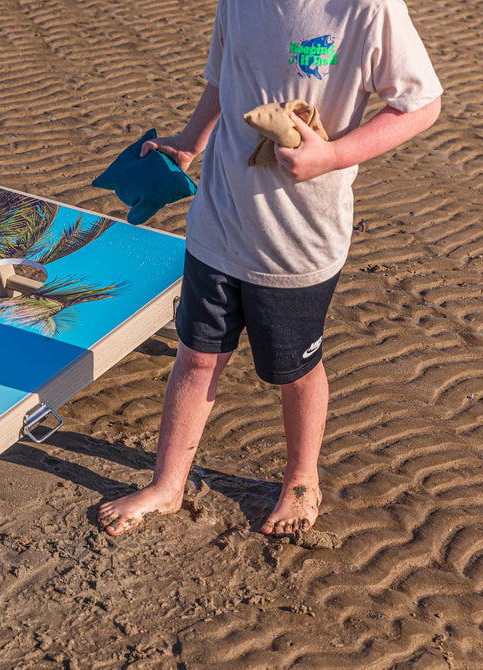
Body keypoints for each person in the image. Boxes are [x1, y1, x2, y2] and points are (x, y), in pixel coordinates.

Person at [98, 0, 442, 537]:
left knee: (295, 372)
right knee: (195, 357)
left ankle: (302, 480)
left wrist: (333, 156)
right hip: (217, 224)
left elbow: (421, 105)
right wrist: (192, 140)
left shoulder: (367, 8)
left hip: (298, 243)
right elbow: (223, 73)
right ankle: (167, 486)